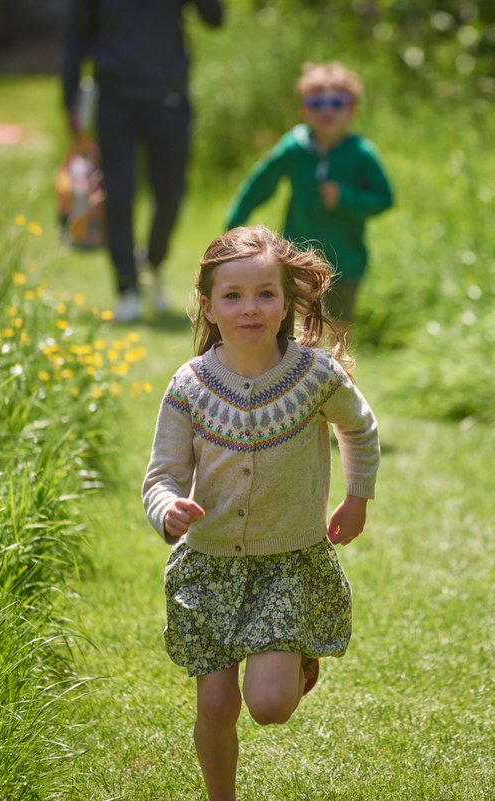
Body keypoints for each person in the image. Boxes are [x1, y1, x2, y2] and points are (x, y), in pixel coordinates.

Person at [142, 225, 380, 801]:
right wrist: (167, 509)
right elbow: (162, 474)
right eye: (233, 296)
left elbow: (359, 428)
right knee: (217, 705)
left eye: (265, 294)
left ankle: (292, 655)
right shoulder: (189, 387)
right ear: (209, 305)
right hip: (210, 566)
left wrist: (357, 496)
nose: (250, 308)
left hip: (287, 562)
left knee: (270, 707)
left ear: (287, 303)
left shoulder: (316, 376)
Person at [61, 0, 225, 323]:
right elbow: (76, 35)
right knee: (119, 196)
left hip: (170, 97)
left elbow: (214, 18)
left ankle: (153, 261)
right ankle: (127, 289)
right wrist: (70, 101)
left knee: (171, 193)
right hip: (114, 98)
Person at [226, 61, 393, 327]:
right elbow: (260, 183)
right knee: (296, 322)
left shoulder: (361, 153)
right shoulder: (294, 148)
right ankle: (296, 367)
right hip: (297, 254)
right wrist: (234, 224)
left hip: (346, 259)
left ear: (351, 110)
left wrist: (346, 198)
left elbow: (384, 198)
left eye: (337, 103)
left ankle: (339, 369)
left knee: (339, 324)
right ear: (304, 110)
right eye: (317, 103)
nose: (327, 110)